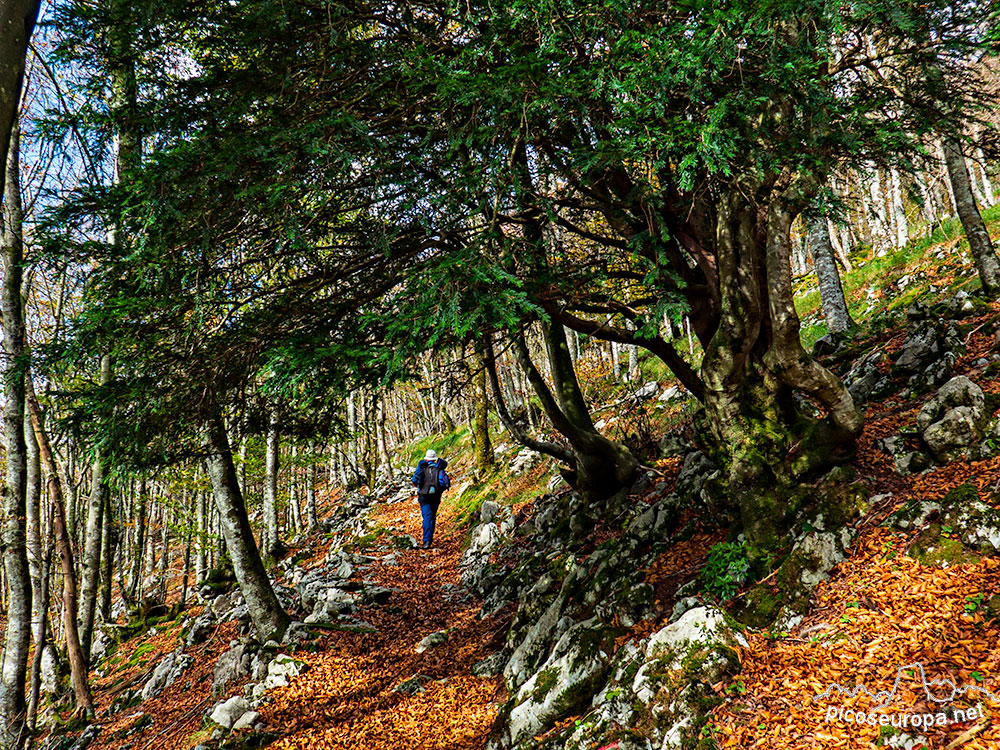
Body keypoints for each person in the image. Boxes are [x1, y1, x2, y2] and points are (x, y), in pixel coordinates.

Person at [411, 449, 450, 549]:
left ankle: (427, 541)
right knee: (432, 517)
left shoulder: (422, 468)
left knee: (427, 517)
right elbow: (444, 483)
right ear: (435, 459)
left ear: (426, 459)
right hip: (436, 497)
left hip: (424, 497)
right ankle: (429, 539)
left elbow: (414, 480)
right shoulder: (439, 470)